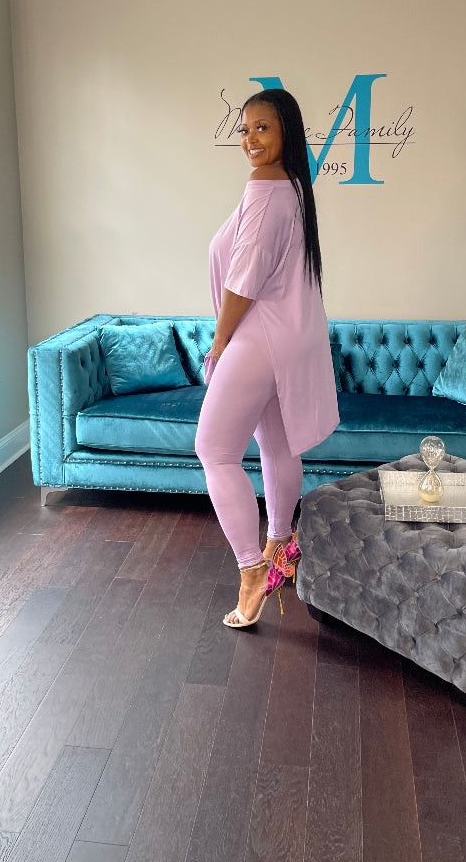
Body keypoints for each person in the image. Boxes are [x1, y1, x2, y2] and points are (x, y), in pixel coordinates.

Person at [195, 88, 339, 628]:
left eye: (263, 128)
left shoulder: (265, 187)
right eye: (245, 128)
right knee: (276, 445)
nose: (250, 139)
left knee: (213, 450)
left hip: (260, 334)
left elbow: (244, 279)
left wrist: (219, 343)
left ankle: (252, 569)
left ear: (287, 134)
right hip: (286, 335)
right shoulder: (294, 186)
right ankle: (281, 547)